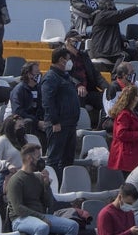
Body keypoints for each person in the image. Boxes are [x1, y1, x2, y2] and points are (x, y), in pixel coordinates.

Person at [7, 143, 79, 235]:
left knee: (73, 226)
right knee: (42, 227)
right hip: (20, 219)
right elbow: (18, 208)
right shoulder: (16, 180)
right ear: (29, 158)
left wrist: (46, 184)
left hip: (41, 216)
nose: (41, 161)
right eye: (38, 157)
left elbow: (49, 203)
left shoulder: (38, 177)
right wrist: (41, 217)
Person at [41, 47, 80, 183]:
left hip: (70, 124)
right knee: (54, 159)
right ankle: (52, 188)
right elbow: (48, 101)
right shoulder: (51, 77)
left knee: (68, 160)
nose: (70, 62)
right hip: (58, 125)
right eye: (68, 59)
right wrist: (55, 121)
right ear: (61, 60)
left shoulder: (65, 77)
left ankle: (64, 186)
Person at [64, 30, 109, 127]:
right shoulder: (62, 56)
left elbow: (96, 74)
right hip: (72, 92)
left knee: (107, 98)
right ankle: (78, 126)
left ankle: (105, 124)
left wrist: (107, 88)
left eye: (80, 41)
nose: (79, 44)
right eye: (76, 41)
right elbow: (65, 75)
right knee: (79, 95)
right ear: (68, 41)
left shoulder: (83, 56)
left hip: (88, 90)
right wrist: (78, 85)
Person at [102, 62, 138, 136]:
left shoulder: (135, 84)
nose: (134, 74)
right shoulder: (112, 88)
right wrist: (129, 116)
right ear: (124, 75)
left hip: (133, 115)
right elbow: (111, 112)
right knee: (133, 124)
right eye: (132, 72)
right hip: (113, 120)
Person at [89, 0, 138, 68]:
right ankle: (116, 76)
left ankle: (136, 76)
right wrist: (137, 8)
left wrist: (123, 40)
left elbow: (115, 33)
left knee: (135, 54)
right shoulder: (102, 15)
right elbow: (120, 14)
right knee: (124, 56)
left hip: (110, 49)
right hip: (103, 50)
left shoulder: (109, 17)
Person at [108, 85, 138, 173]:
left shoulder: (132, 113)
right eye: (137, 95)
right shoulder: (124, 114)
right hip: (126, 157)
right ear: (133, 98)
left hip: (132, 155)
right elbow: (121, 134)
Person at [0, 115, 28, 195]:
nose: (22, 129)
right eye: (19, 126)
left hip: (22, 176)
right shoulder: (2, 140)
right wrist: (7, 165)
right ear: (11, 128)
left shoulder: (23, 141)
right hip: (5, 178)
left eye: (23, 126)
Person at [8, 62, 45, 143]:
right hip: (16, 120)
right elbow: (18, 111)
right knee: (29, 122)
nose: (39, 75)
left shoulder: (38, 89)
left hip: (34, 119)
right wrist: (37, 122)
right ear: (29, 74)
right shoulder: (19, 90)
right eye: (37, 73)